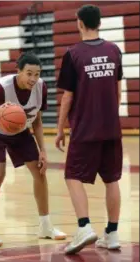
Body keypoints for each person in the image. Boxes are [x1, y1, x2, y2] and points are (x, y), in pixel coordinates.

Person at [0, 52, 66, 247]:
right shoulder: (1, 88)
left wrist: (43, 151)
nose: (33, 78)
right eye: (29, 73)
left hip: (20, 131)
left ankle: (45, 226)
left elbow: (37, 121)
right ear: (18, 72)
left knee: (40, 172)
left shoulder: (41, 88)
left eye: (37, 74)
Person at [55, 4, 123, 255]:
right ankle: (112, 233)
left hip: (85, 128)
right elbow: (118, 91)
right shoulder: (114, 50)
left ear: (79, 23)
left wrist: (61, 128)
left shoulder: (73, 54)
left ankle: (84, 226)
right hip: (111, 128)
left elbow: (67, 97)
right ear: (100, 23)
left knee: (72, 175)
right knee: (112, 179)